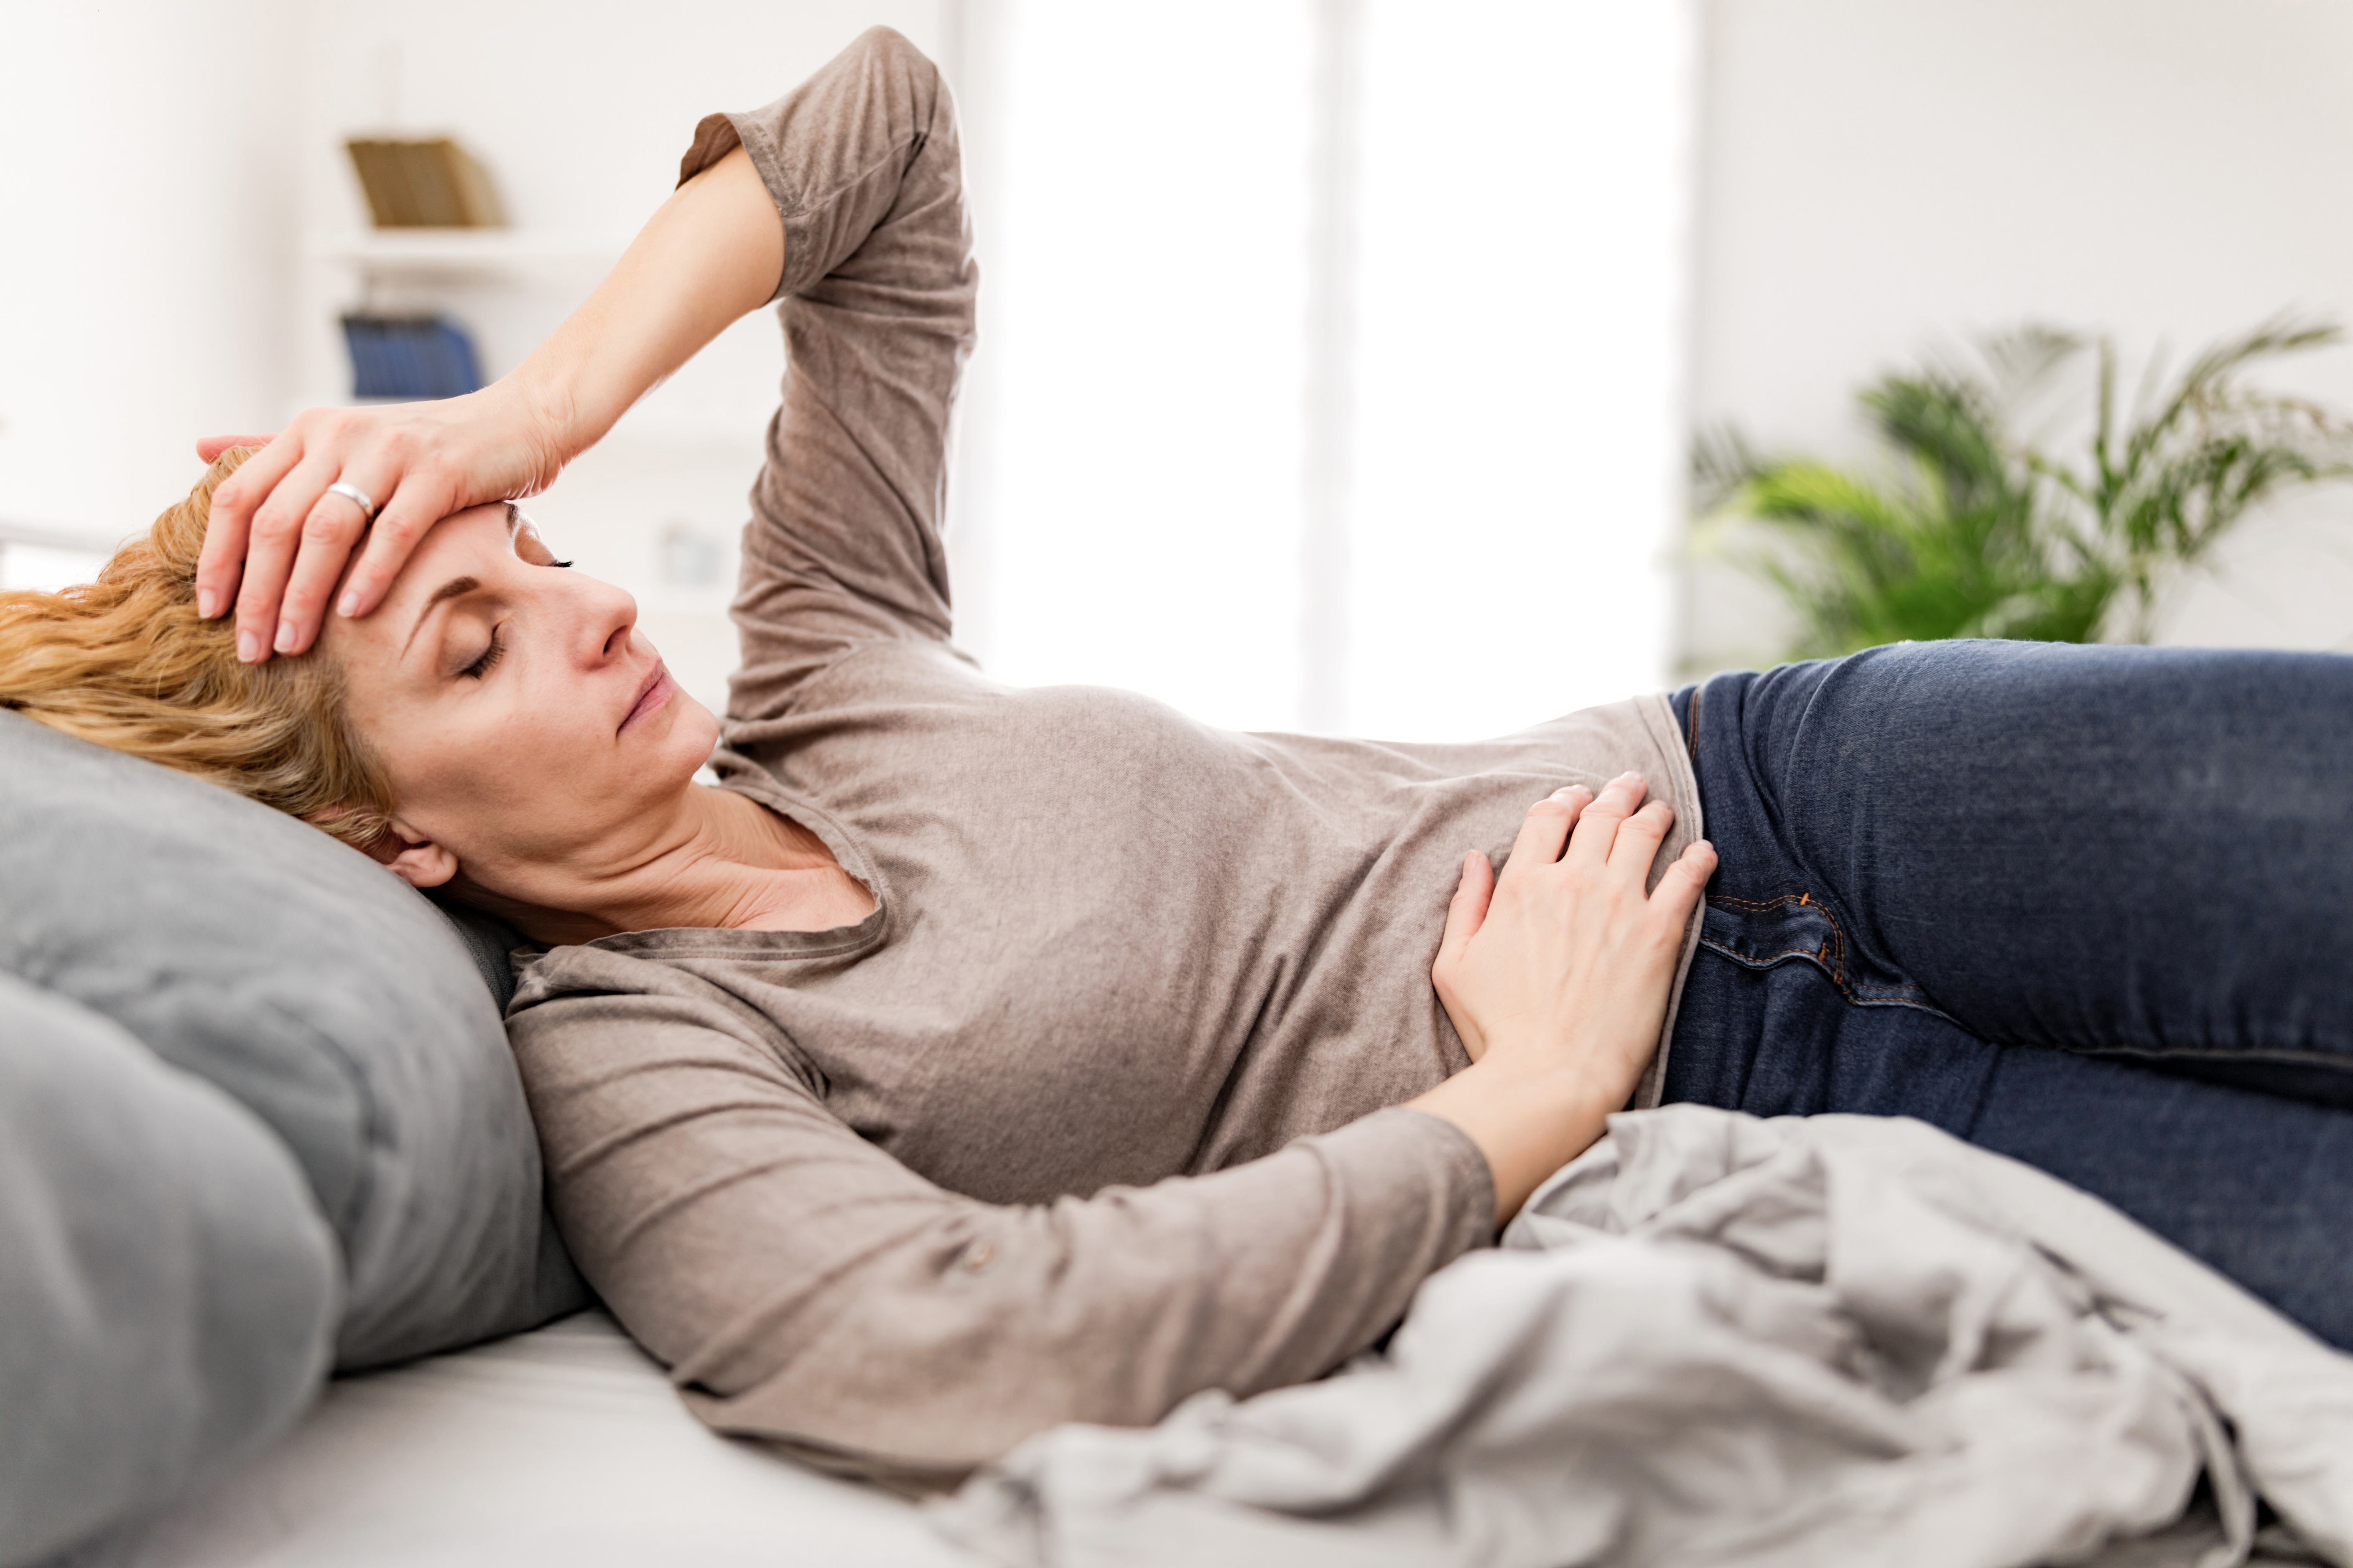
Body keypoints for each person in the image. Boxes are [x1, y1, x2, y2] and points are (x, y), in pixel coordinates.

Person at [5, 28, 2347, 1482]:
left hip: (1795, 789)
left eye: (534, 544)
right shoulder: (641, 1058)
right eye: (477, 635)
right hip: (1758, 1093)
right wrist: (1517, 1101)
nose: (597, 593)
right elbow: (927, 1343)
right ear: (392, 831)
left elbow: (883, 136)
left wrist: (532, 407)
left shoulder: (819, 654)